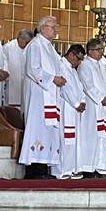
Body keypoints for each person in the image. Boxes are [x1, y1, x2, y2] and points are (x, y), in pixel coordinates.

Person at [19, 16, 65, 178]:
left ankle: (43, 167)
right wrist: (53, 79)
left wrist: (60, 78)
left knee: (48, 130)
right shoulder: (35, 45)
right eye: (53, 27)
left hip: (50, 94)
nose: (55, 30)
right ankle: (33, 170)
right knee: (37, 129)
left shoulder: (49, 47)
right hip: (39, 95)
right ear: (43, 28)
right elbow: (33, 69)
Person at [50, 45, 87, 179]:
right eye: (78, 58)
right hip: (65, 107)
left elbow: (79, 87)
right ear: (71, 54)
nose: (79, 62)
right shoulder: (61, 66)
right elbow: (65, 89)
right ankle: (61, 170)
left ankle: (71, 168)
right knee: (64, 139)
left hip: (74, 109)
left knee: (73, 139)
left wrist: (82, 100)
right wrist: (76, 103)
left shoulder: (72, 69)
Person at [78, 38, 106, 177]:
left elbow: (105, 83)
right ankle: (88, 167)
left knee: (101, 136)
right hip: (92, 107)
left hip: (101, 106)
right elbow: (88, 86)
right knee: (90, 136)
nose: (101, 52)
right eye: (99, 49)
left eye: (102, 49)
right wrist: (101, 98)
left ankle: (99, 166)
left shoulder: (100, 64)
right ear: (90, 51)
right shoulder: (85, 65)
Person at [2, 29, 33, 106]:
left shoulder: (29, 48)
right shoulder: (8, 47)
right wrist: (6, 74)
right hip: (12, 83)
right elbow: (3, 62)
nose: (27, 45)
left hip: (26, 84)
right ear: (20, 38)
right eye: (27, 42)